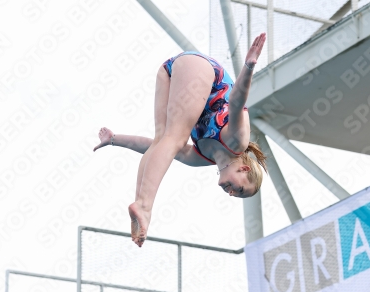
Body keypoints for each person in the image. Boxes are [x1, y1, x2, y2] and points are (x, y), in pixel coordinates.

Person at [94, 33, 268, 247]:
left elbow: (154, 147)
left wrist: (114, 139)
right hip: (203, 70)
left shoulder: (202, 157)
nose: (231, 193)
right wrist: (249, 67)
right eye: (239, 189)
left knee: (163, 140)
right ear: (245, 170)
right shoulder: (236, 143)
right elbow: (236, 101)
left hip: (168, 71)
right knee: (174, 138)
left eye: (235, 195)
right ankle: (145, 207)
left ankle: (141, 204)